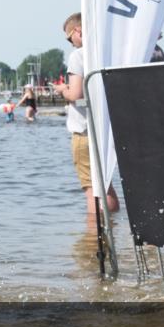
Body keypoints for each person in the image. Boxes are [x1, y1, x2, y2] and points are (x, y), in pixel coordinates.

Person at [52, 13, 120, 216]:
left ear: (78, 31)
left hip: (84, 131)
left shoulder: (79, 55)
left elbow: (76, 94)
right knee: (106, 185)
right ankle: (113, 230)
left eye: (68, 37)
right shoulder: (111, 52)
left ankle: (92, 239)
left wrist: (62, 90)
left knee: (93, 190)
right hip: (108, 129)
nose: (70, 43)